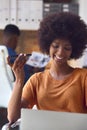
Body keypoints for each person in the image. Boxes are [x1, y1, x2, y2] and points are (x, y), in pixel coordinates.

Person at [7, 12, 87, 124]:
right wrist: (19, 80)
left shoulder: (83, 77)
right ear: (48, 45)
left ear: (73, 50)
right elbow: (13, 117)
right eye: (55, 46)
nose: (60, 52)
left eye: (67, 48)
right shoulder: (37, 80)